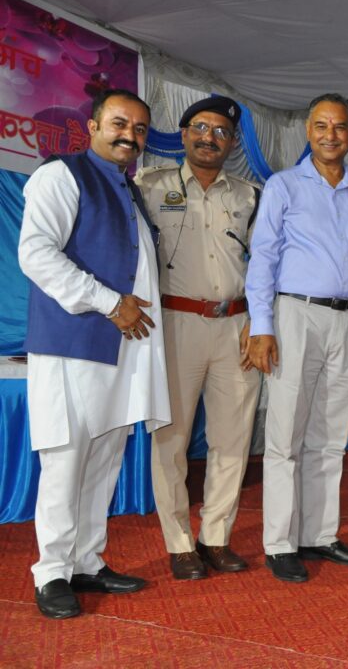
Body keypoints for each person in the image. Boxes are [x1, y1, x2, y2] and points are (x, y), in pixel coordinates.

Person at [19, 89, 171, 618]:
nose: (130, 135)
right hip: (73, 344)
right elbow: (36, 253)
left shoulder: (130, 191)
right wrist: (109, 303)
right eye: (119, 123)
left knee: (104, 460)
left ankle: (86, 560)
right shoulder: (61, 176)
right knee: (66, 461)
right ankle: (51, 572)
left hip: (122, 351)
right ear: (92, 126)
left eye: (140, 128)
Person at [245, 93, 348, 583]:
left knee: (331, 437)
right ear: (308, 131)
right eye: (321, 126)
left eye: (339, 126)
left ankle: (319, 535)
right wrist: (261, 327)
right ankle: (280, 543)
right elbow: (262, 258)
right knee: (285, 437)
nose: (330, 135)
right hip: (295, 315)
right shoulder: (283, 186)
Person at [135, 96, 262, 580]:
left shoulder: (250, 196)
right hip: (175, 325)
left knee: (233, 439)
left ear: (232, 143)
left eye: (221, 132)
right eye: (201, 128)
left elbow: (266, 264)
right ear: (184, 134)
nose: (211, 138)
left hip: (237, 327)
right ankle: (179, 543)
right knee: (170, 438)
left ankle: (215, 537)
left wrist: (260, 323)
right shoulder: (149, 186)